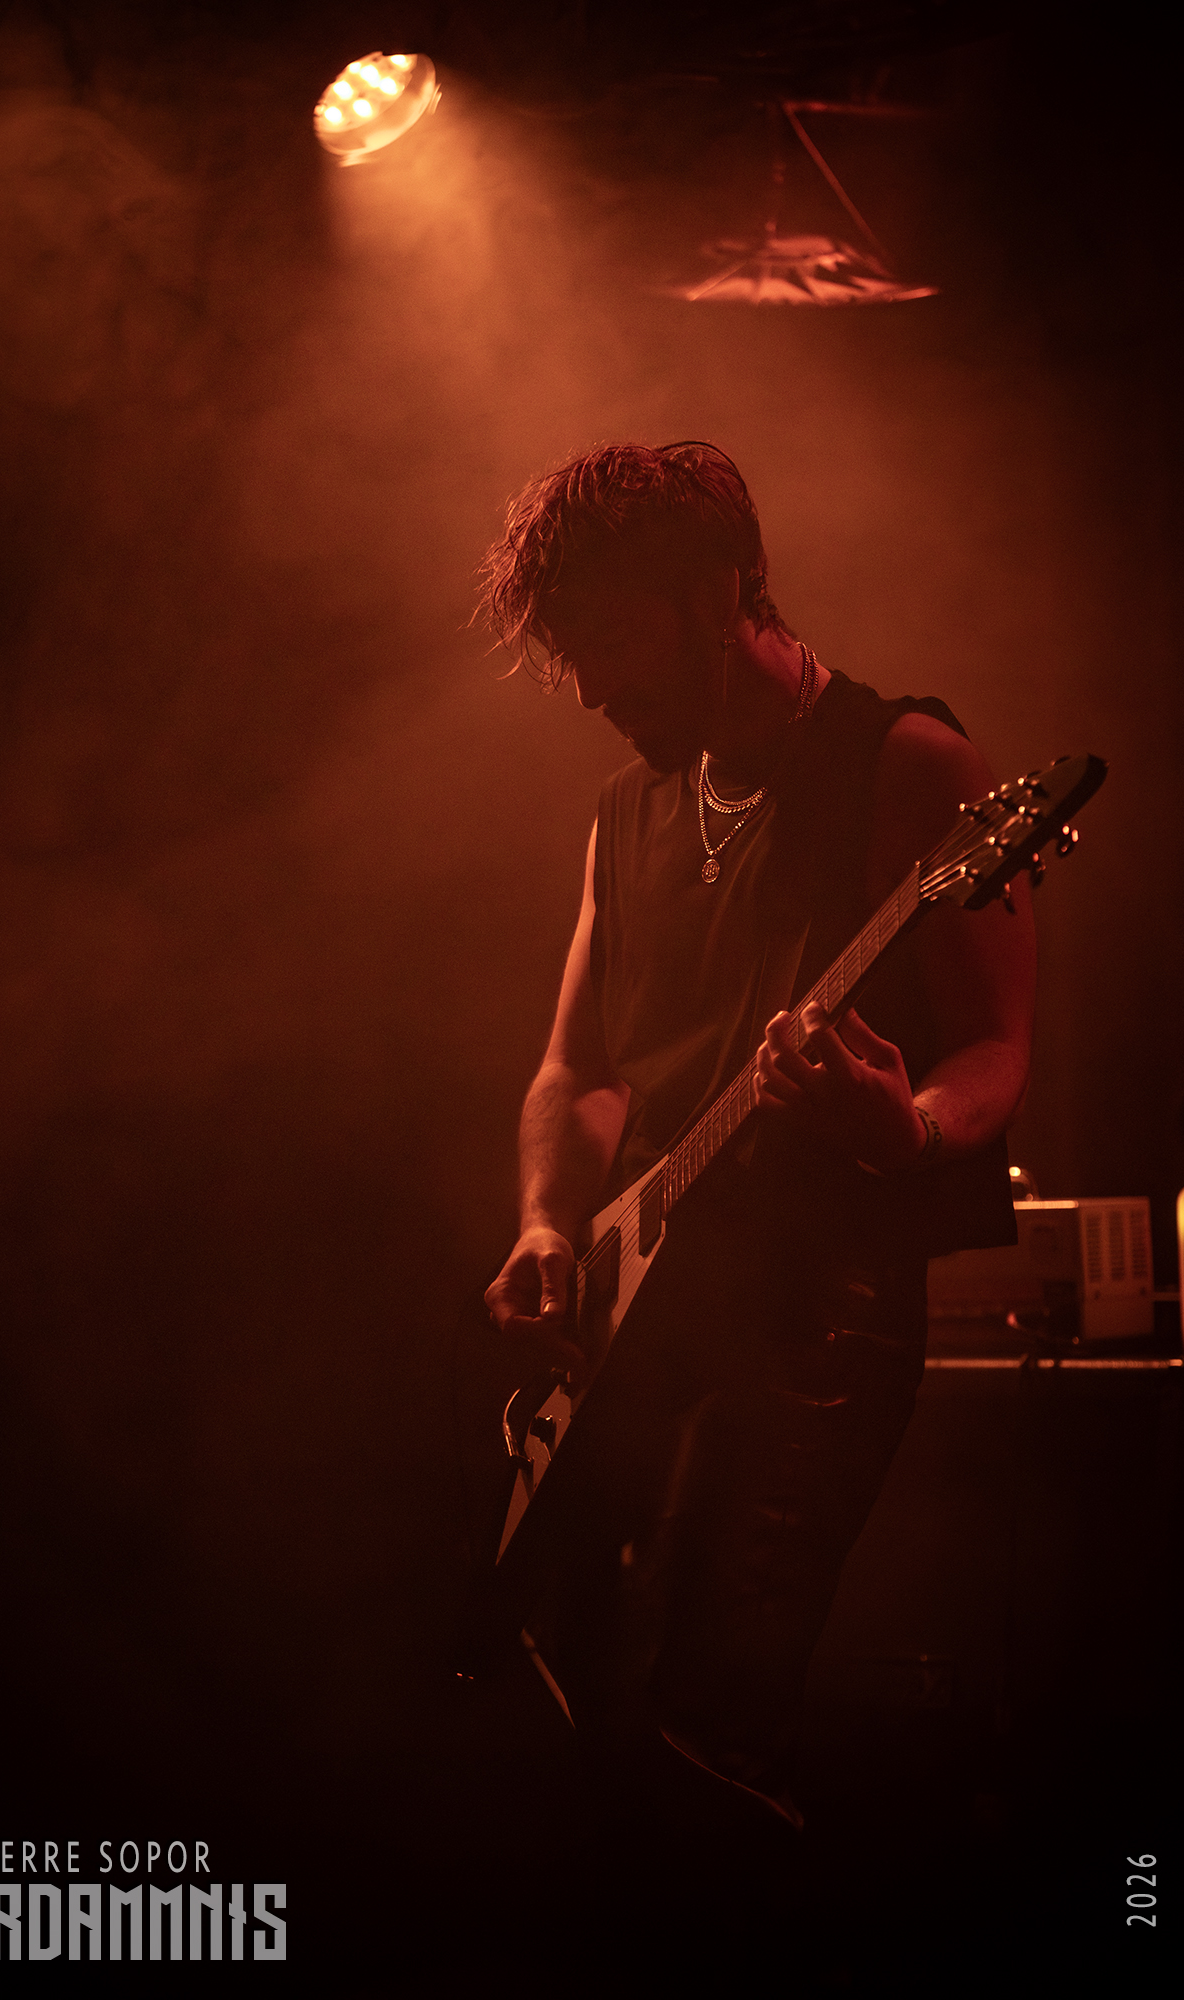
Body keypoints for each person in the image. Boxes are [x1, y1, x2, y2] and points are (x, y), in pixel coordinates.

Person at [477, 441, 1036, 1859]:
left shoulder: (908, 765)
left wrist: (906, 1126)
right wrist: (547, 1225)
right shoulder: (626, 813)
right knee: (570, 1700)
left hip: (815, 1318)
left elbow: (993, 1047)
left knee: (703, 1729)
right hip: (642, 1315)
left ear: (722, 592)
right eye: (570, 659)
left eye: (609, 645)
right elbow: (576, 1072)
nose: (591, 693)